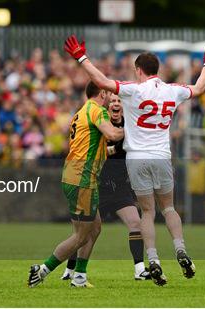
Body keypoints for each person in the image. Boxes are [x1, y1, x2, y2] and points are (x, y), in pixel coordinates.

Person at [64, 35, 205, 285]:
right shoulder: (173, 91)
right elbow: (200, 88)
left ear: (138, 70)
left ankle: (154, 260)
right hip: (161, 156)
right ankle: (180, 248)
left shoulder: (133, 89)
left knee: (147, 212)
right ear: (157, 70)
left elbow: (100, 81)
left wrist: (81, 58)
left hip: (137, 158)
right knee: (168, 208)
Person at [27, 81, 124, 288]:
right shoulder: (97, 110)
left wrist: (116, 150)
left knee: (95, 228)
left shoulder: (81, 112)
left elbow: (95, 148)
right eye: (108, 92)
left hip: (73, 176)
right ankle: (42, 270)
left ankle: (79, 276)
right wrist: (135, 131)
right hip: (83, 179)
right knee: (81, 235)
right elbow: (113, 135)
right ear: (102, 93)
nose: (110, 97)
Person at [60, 95, 151, 281]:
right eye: (113, 102)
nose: (116, 104)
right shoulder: (100, 123)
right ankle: (70, 270)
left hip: (119, 188)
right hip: (96, 186)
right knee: (83, 233)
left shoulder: (129, 126)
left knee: (135, 223)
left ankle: (140, 269)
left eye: (119, 101)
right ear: (107, 107)